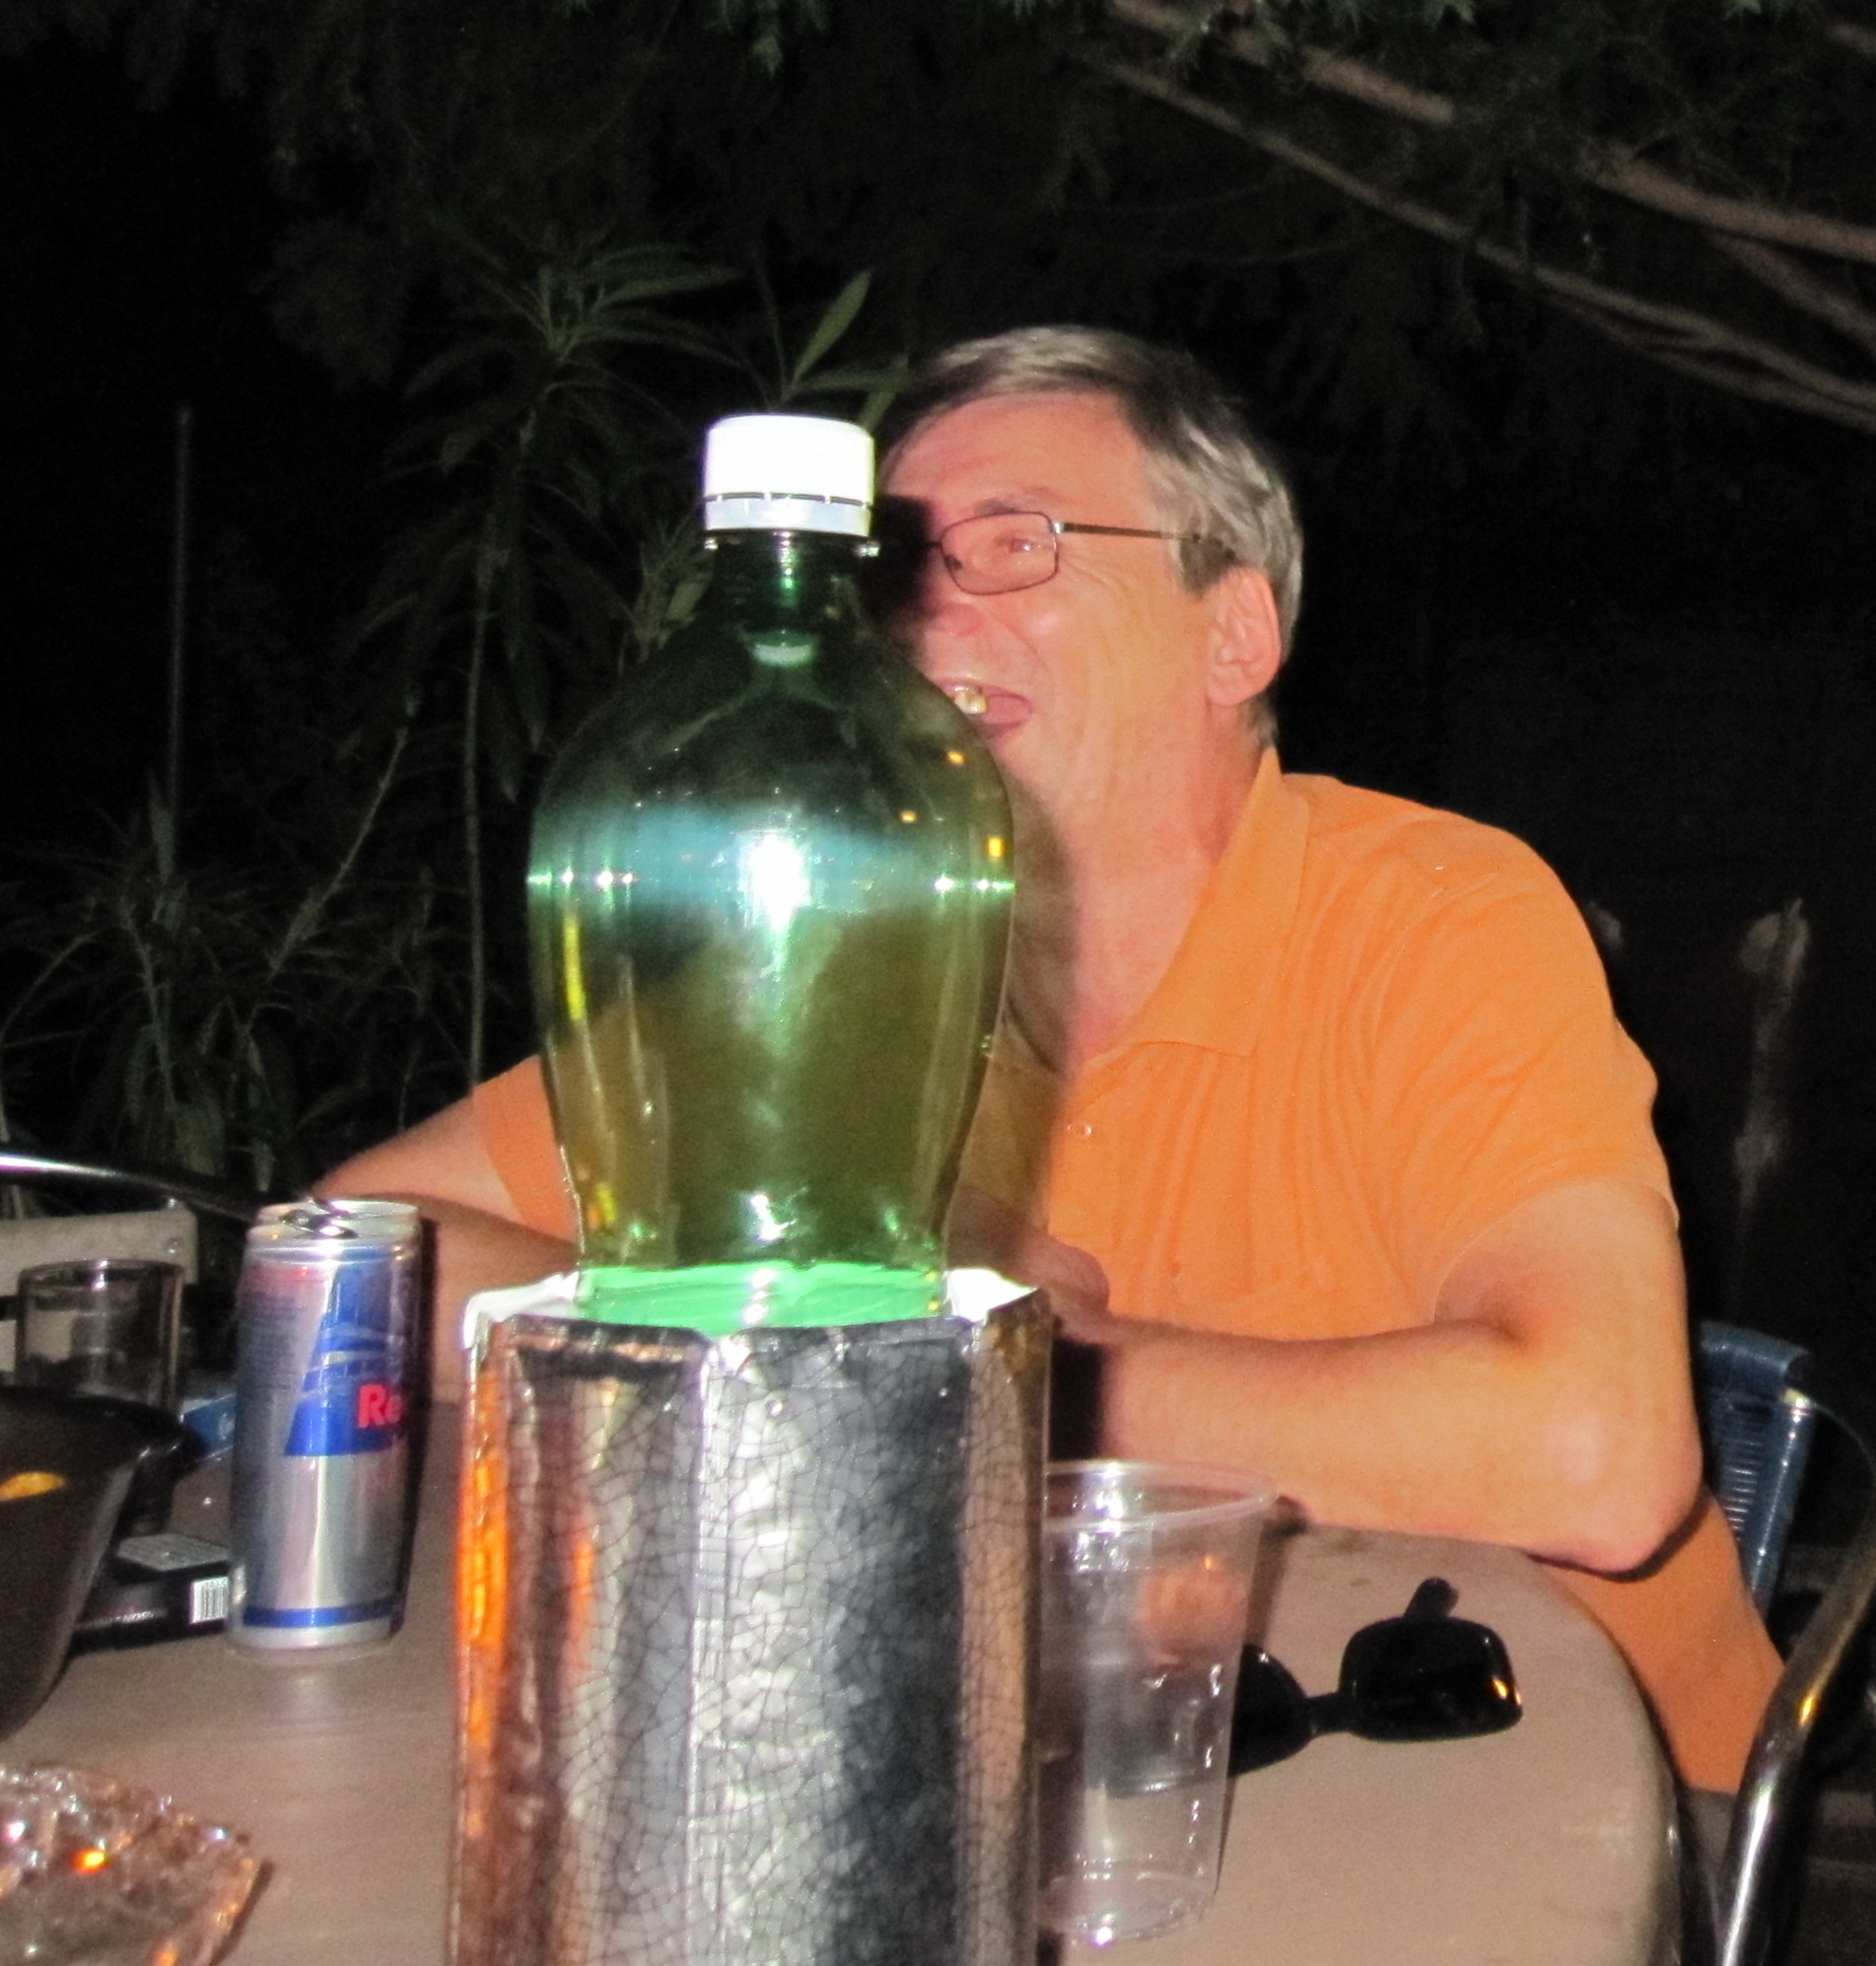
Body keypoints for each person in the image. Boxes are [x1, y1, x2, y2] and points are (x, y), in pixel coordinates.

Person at [320, 327, 1784, 1792]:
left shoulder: (1430, 917)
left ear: (1235, 633)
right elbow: (354, 1261)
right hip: (1093, 1762)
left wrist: (988, 1364)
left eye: (1016, 546)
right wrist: (837, 1292)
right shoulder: (836, 961)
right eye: (899, 569)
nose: (928, 618)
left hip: (1563, 1804)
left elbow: (1599, 1459)